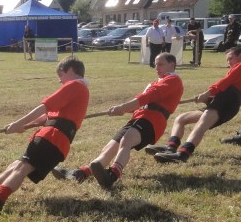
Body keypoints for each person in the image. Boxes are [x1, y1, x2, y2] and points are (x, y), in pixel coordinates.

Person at [0, 55, 89, 212]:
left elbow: (45, 107)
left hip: (53, 138)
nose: (59, 80)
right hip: (54, 138)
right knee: (16, 166)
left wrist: (18, 123)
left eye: (61, 75)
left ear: (70, 70)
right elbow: (49, 117)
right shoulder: (80, 89)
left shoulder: (75, 85)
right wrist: (25, 125)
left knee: (22, 168)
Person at [53, 53, 183, 189]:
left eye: (160, 64)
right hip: (139, 118)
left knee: (126, 140)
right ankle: (80, 173)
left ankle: (112, 175)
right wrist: (122, 110)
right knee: (110, 148)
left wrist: (122, 107)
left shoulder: (173, 80)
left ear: (172, 64)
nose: (156, 68)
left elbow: (147, 97)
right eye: (155, 64)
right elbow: (142, 104)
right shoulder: (158, 81)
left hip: (153, 122)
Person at [149, 46, 241, 163]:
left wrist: (207, 93)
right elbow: (232, 94)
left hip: (227, 102)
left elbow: (224, 83)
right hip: (222, 102)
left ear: (240, 56)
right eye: (227, 60)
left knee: (201, 125)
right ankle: (170, 147)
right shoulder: (239, 73)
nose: (229, 62)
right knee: (181, 119)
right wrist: (208, 99)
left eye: (230, 58)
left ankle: (183, 154)